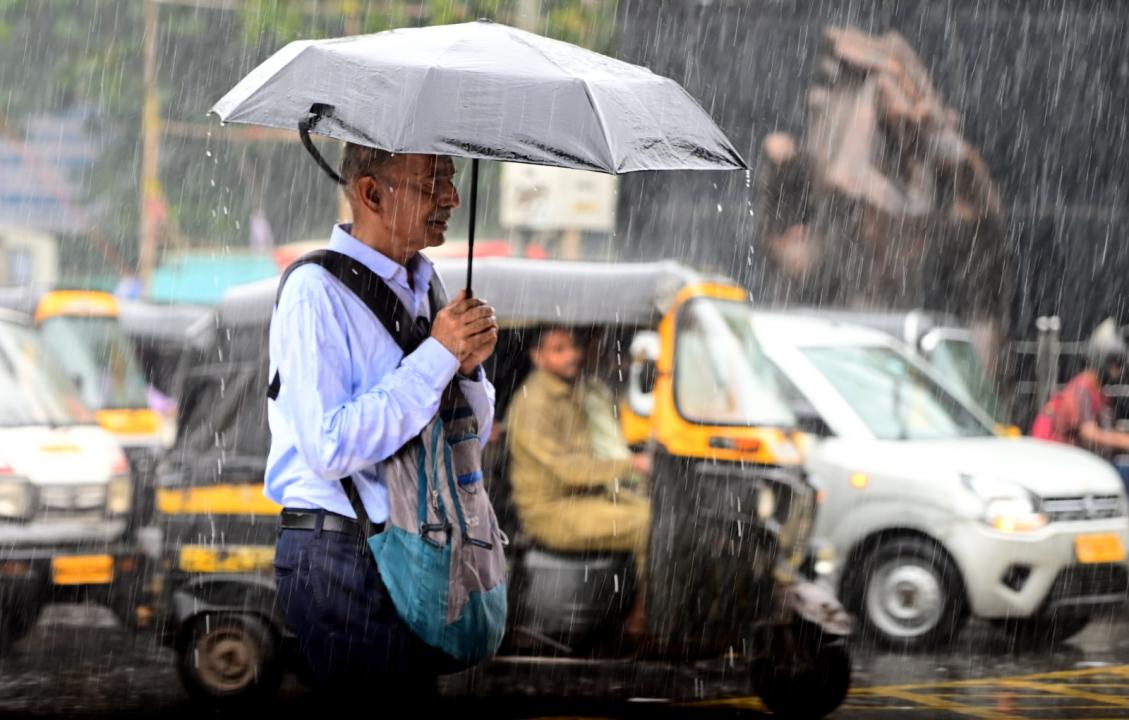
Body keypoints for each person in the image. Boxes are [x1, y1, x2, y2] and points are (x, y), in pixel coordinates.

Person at [266, 144, 499, 698]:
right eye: (432, 182)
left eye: (451, 178)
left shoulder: (429, 289)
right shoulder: (315, 290)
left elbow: (470, 435)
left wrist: (466, 370)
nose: (451, 197)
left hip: (414, 545)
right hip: (339, 555)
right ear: (371, 193)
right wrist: (437, 355)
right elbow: (329, 447)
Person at [504, 326, 651, 638]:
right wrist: (630, 464)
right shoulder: (535, 403)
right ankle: (642, 619)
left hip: (582, 499)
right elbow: (568, 470)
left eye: (573, 346)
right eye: (559, 349)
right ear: (538, 357)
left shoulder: (573, 390)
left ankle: (634, 609)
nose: (572, 355)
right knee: (648, 526)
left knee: (659, 514)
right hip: (552, 512)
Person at [1032, 318, 1129, 479]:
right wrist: (1124, 441)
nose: (1117, 370)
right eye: (1114, 363)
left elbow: (1108, 431)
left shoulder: (1100, 393)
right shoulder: (1083, 388)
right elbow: (1089, 433)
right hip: (1071, 469)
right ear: (1101, 359)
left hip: (1093, 466)